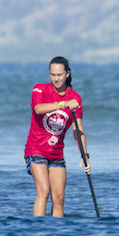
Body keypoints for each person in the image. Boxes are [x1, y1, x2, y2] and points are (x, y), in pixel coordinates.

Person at [25, 56, 89, 217]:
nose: (56, 79)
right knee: (44, 191)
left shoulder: (75, 98)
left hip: (56, 153)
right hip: (36, 150)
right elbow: (38, 109)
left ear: (67, 74)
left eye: (59, 75)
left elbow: (78, 129)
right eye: (53, 75)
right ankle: (39, 228)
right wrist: (62, 104)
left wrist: (84, 154)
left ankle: (57, 231)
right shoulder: (40, 89)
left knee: (59, 198)